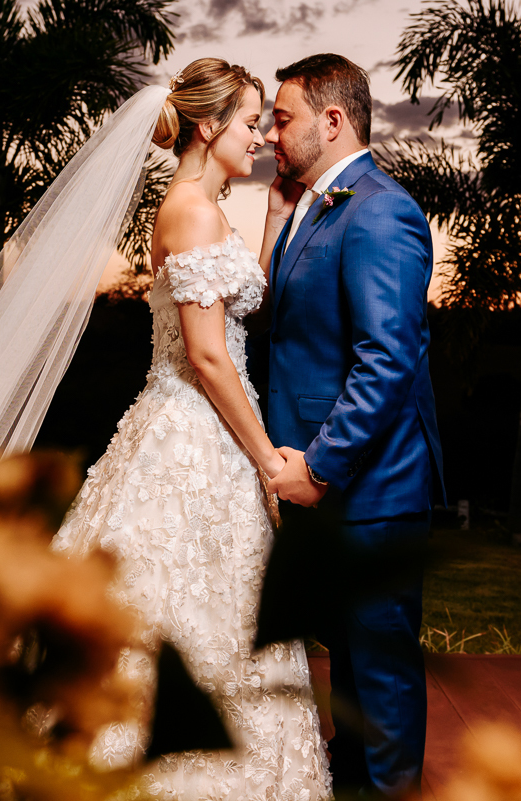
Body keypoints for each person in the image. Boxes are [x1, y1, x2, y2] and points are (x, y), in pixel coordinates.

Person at [45, 58, 332, 797]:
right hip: (194, 433)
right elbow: (207, 355)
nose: (263, 134)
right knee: (200, 612)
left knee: (212, 609)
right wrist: (269, 457)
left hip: (199, 430)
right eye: (248, 121)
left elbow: (237, 306)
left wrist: (272, 219)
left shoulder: (197, 208)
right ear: (208, 127)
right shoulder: (192, 211)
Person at [260, 55, 446, 799]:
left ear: (332, 121)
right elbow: (289, 333)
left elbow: (385, 360)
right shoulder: (316, 206)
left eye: (282, 119)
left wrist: (318, 466)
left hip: (370, 487)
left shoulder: (380, 210)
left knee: (382, 664)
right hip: (326, 486)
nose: (272, 134)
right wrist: (275, 225)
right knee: (350, 658)